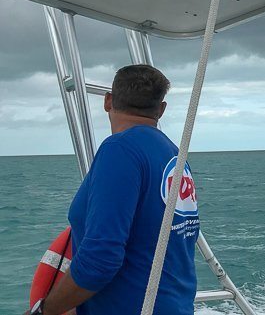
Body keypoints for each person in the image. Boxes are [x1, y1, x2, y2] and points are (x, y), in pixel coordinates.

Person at [26, 65, 200, 315]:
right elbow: (181, 237)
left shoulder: (119, 150)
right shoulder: (175, 156)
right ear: (161, 110)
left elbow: (101, 259)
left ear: (108, 101)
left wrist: (45, 311)